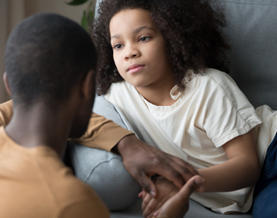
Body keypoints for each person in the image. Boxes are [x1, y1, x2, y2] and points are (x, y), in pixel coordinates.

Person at [0, 12, 204, 218]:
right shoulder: (69, 203)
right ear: (87, 87)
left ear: (10, 85)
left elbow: (28, 105)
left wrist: (126, 142)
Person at [91, 0, 277, 217]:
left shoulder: (209, 87)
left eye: (143, 38)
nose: (129, 52)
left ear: (171, 38)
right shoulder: (118, 94)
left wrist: (180, 182)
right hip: (257, 191)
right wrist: (125, 144)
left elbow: (247, 166)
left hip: (271, 151)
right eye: (118, 45)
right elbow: (72, 114)